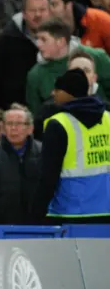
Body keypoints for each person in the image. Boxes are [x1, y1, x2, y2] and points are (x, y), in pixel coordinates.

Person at [32, 69, 110, 224]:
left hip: (68, 214)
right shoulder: (108, 119)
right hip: (106, 212)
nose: (53, 93)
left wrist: (36, 215)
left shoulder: (58, 124)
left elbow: (48, 176)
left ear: (69, 93)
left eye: (57, 89)